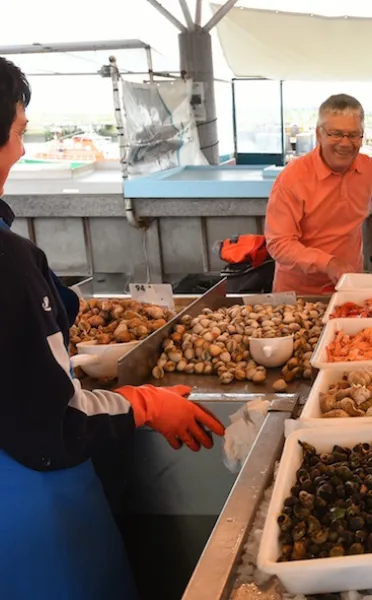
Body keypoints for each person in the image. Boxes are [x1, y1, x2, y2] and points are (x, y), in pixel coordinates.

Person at [0, 58, 225, 599]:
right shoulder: (8, 262)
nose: (21, 151)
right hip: (30, 527)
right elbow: (57, 423)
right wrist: (146, 403)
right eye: (18, 132)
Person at [265, 94, 372, 294]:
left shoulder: (371, 171)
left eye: (354, 135)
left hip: (349, 288)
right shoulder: (291, 178)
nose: (345, 143)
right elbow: (279, 244)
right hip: (298, 294)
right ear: (319, 134)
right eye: (336, 133)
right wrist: (329, 263)